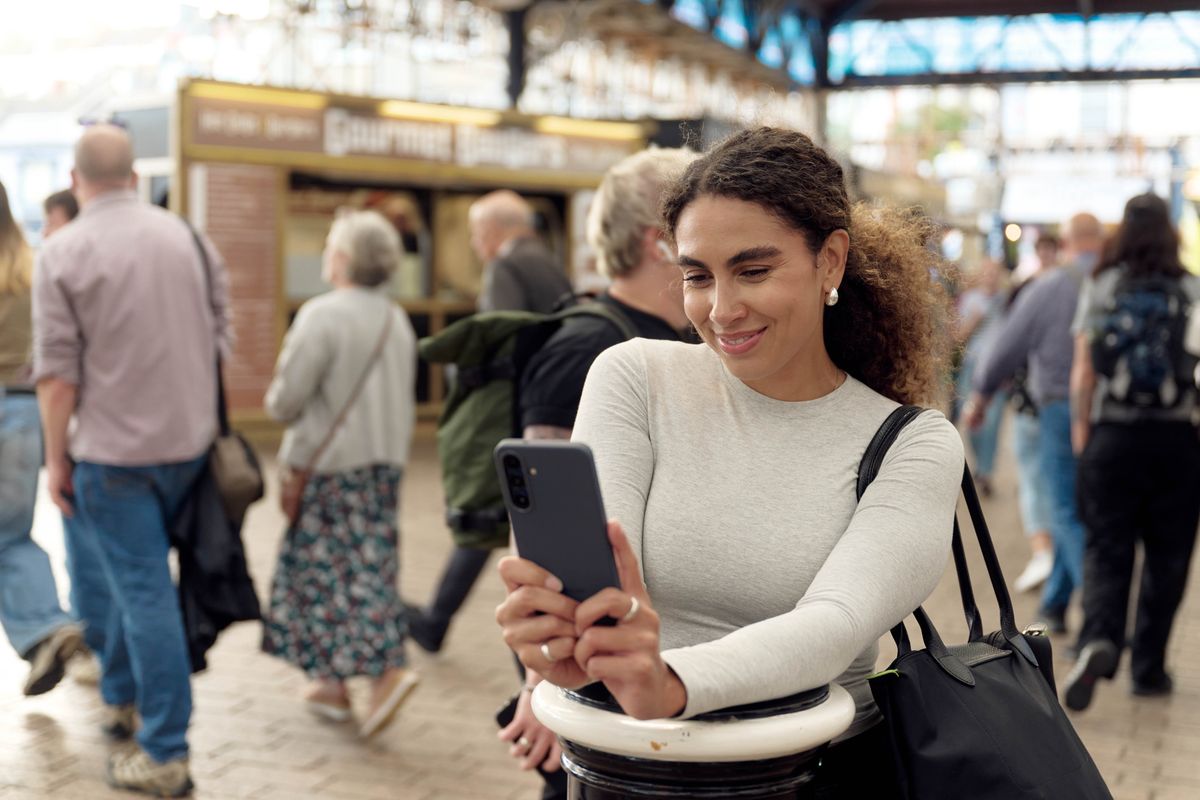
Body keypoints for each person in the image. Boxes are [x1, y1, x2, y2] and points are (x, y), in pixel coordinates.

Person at [495, 127, 964, 796]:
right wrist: (559, 643)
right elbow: (599, 580)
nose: (720, 309)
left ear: (830, 262)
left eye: (753, 270)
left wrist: (666, 682)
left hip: (811, 779)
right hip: (624, 772)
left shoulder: (913, 442)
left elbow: (833, 626)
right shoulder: (634, 376)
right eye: (696, 276)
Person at [33, 124, 230, 797]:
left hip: (112, 458)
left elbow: (57, 377)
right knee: (121, 582)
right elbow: (221, 339)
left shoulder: (63, 252)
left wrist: (55, 459)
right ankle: (118, 695)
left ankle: (165, 750)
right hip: (189, 449)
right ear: (136, 176)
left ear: (75, 176)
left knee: (135, 590)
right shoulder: (189, 239)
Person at [497, 147, 696, 799]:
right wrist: (544, 679)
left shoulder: (692, 342)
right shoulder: (583, 348)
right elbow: (545, 532)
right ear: (657, 242)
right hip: (590, 678)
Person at [262, 210, 419, 740]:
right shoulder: (395, 318)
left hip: (328, 468)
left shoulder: (321, 315)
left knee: (329, 574)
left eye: (331, 246)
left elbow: (286, 401)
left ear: (345, 259)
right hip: (383, 465)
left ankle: (384, 672)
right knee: (365, 565)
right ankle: (329, 684)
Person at [408, 190, 573, 653]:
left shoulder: (506, 266)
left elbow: (497, 338)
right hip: (544, 407)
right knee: (513, 528)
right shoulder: (547, 261)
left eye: (478, 233)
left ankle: (445, 626)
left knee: (483, 521)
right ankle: (440, 623)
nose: (477, 244)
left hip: (510, 411)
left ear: (495, 230)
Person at [1062, 193, 1200, 711]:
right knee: (1169, 557)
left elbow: (1083, 369)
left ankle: (1100, 636)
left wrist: (1082, 430)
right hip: (1176, 441)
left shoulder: (1103, 285)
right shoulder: (1193, 288)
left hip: (1112, 437)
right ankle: (1149, 669)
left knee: (1107, 545)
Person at [965, 212, 1105, 635]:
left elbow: (1006, 348)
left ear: (1066, 242)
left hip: (1060, 408)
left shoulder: (1050, 287)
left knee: (1063, 508)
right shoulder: (1117, 280)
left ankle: (1101, 620)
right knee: (1083, 506)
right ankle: (1057, 603)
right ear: (1100, 242)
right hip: (1111, 414)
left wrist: (981, 397)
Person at [0, 179, 85, 697]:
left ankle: (44, 628)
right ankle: (46, 629)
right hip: (25, 412)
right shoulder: (36, 270)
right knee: (10, 533)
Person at [1007, 234, 1059, 593]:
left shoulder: (1026, 290)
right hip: (1059, 403)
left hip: (1031, 401)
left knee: (1033, 479)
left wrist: (983, 389)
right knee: (1053, 480)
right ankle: (1052, 555)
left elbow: (1008, 342)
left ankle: (1044, 554)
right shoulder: (1076, 288)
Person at [954, 258, 1008, 496]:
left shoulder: (1007, 302)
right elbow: (956, 338)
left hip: (997, 369)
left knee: (993, 422)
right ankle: (979, 464)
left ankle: (986, 471)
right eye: (986, 272)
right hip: (972, 367)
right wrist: (973, 321)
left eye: (994, 272)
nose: (990, 276)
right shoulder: (969, 300)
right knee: (972, 420)